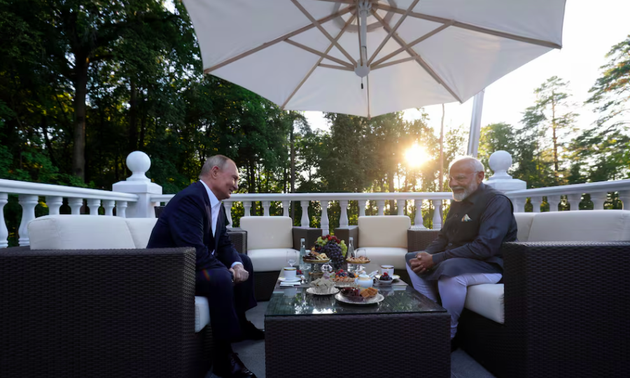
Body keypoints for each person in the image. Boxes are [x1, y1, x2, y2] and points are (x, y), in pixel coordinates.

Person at [147, 155, 262, 378]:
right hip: (170, 272)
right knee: (220, 278)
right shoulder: (189, 200)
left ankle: (242, 323)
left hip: (191, 264)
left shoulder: (214, 203)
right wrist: (227, 271)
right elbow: (192, 249)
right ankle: (222, 356)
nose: (236, 186)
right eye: (234, 178)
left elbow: (224, 242)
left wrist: (237, 265)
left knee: (245, 260)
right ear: (215, 172)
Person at [405, 156, 517, 351]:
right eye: (450, 179)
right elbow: (443, 238)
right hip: (460, 259)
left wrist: (436, 259)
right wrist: (426, 254)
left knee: (450, 270)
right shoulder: (459, 200)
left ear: (480, 176)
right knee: (411, 258)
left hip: (491, 264)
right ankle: (434, 316)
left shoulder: (497, 202)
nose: (453, 184)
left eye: (460, 178)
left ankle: (448, 334)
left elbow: (485, 247)